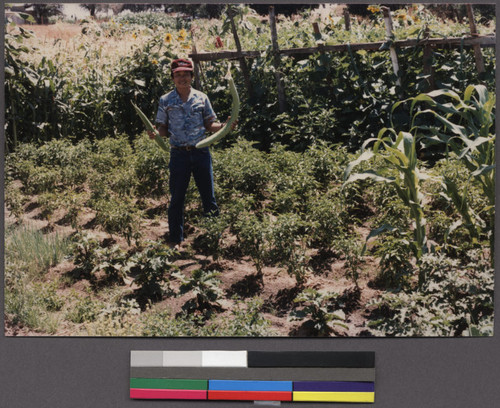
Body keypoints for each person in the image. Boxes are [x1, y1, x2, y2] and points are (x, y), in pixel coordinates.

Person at [150, 58, 234, 248]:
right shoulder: (165, 100)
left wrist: (224, 126)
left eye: (186, 74)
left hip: (201, 152)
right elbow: (163, 128)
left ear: (191, 76)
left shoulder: (202, 98)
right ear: (173, 78)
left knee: (208, 196)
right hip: (178, 154)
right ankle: (175, 239)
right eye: (178, 74)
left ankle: (214, 237)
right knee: (177, 198)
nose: (182, 78)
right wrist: (156, 133)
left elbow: (209, 124)